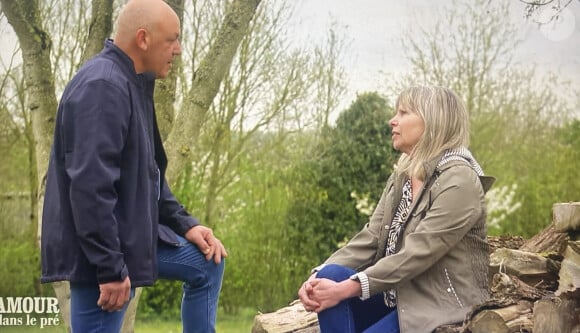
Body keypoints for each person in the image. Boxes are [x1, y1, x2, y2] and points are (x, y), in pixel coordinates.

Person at [40, 1, 227, 332]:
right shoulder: (104, 87)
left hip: (128, 237)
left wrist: (185, 225)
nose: (179, 50)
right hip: (99, 255)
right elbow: (89, 190)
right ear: (143, 39)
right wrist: (109, 269)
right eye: (172, 39)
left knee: (207, 262)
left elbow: (148, 176)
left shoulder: (132, 84)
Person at [298, 86, 495, 333]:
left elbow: (418, 252)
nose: (393, 120)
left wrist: (347, 288)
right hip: (397, 297)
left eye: (404, 113)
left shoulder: (459, 180)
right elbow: (371, 237)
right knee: (332, 273)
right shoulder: (403, 174)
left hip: (439, 306)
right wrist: (315, 279)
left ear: (433, 122)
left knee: (340, 285)